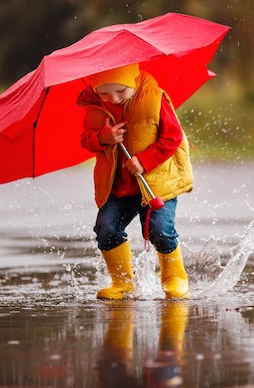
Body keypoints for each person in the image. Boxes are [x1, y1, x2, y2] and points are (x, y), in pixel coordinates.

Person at [77, 63, 193, 299]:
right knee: (106, 229)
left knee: (160, 230)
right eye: (104, 93)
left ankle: (175, 278)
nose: (113, 98)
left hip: (154, 182)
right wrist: (103, 137)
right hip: (117, 185)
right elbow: (86, 140)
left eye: (120, 91)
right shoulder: (95, 107)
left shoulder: (154, 98)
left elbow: (173, 136)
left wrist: (146, 160)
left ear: (133, 80)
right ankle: (122, 282)